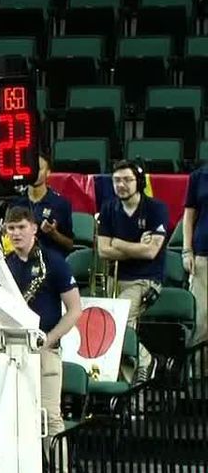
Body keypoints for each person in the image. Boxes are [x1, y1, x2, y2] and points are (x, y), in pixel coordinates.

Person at [3, 205, 81, 448]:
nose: (16, 233)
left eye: (21, 227)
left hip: (45, 350)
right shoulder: (4, 265)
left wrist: (49, 339)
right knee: (15, 420)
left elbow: (75, 309)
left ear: (34, 228)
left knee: (50, 419)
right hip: (12, 350)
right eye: (11, 228)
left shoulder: (54, 262)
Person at [97, 161, 168, 383]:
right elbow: (103, 251)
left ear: (138, 181)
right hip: (115, 279)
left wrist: (118, 243)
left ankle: (146, 361)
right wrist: (135, 247)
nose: (121, 185)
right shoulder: (109, 208)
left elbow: (151, 253)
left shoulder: (156, 208)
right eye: (117, 180)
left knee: (120, 326)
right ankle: (129, 384)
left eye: (127, 180)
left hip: (145, 280)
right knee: (105, 326)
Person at [9, 152, 75, 254]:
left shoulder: (60, 204)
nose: (34, 173)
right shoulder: (15, 202)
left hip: (50, 263)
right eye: (31, 169)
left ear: (48, 172)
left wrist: (54, 234)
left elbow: (70, 245)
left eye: (39, 169)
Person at [183, 158, 208, 350]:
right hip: (203, 255)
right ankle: (198, 375)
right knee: (201, 318)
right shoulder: (199, 177)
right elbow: (189, 216)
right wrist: (187, 250)